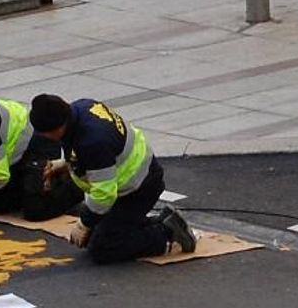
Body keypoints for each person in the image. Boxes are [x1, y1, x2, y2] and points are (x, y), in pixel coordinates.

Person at [27, 93, 197, 264]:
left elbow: (104, 195)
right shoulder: (81, 108)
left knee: (103, 248)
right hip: (129, 178)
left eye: (45, 134)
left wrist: (84, 223)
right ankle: (162, 221)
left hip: (138, 188)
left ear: (57, 128)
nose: (46, 138)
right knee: (96, 234)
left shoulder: (93, 141)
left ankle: (166, 233)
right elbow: (101, 155)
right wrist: (65, 164)